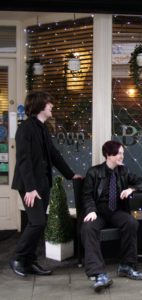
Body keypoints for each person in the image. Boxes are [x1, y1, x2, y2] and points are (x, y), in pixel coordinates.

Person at [10, 91, 81, 278]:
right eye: (49, 103)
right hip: (29, 185)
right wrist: (31, 188)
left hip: (42, 183)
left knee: (39, 223)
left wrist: (71, 175)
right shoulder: (25, 129)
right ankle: (18, 258)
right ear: (40, 105)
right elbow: (23, 161)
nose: (52, 106)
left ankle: (30, 261)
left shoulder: (43, 128)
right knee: (37, 222)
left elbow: (54, 154)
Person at [80, 140, 142, 292]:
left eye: (122, 153)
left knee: (131, 223)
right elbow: (86, 195)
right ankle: (98, 274)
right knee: (88, 228)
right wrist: (91, 210)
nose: (121, 156)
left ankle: (127, 265)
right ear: (108, 155)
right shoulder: (94, 172)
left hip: (116, 211)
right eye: (119, 153)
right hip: (98, 211)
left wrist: (132, 189)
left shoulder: (123, 171)